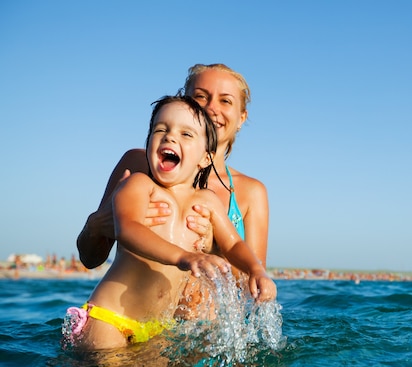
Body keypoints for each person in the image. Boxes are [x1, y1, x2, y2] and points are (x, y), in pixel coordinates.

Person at [67, 95, 276, 350]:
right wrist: (184, 257)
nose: (170, 137)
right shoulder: (139, 185)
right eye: (160, 130)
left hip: (156, 328)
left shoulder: (207, 202)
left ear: (205, 159)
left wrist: (256, 270)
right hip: (110, 318)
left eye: (186, 134)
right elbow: (128, 228)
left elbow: (233, 244)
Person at [76, 64, 268, 273]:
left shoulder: (251, 192)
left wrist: (213, 245)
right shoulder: (138, 165)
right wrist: (95, 225)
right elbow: (90, 260)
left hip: (208, 307)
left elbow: (254, 291)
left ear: (241, 118)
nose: (212, 107)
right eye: (201, 96)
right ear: (184, 101)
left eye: (225, 101)